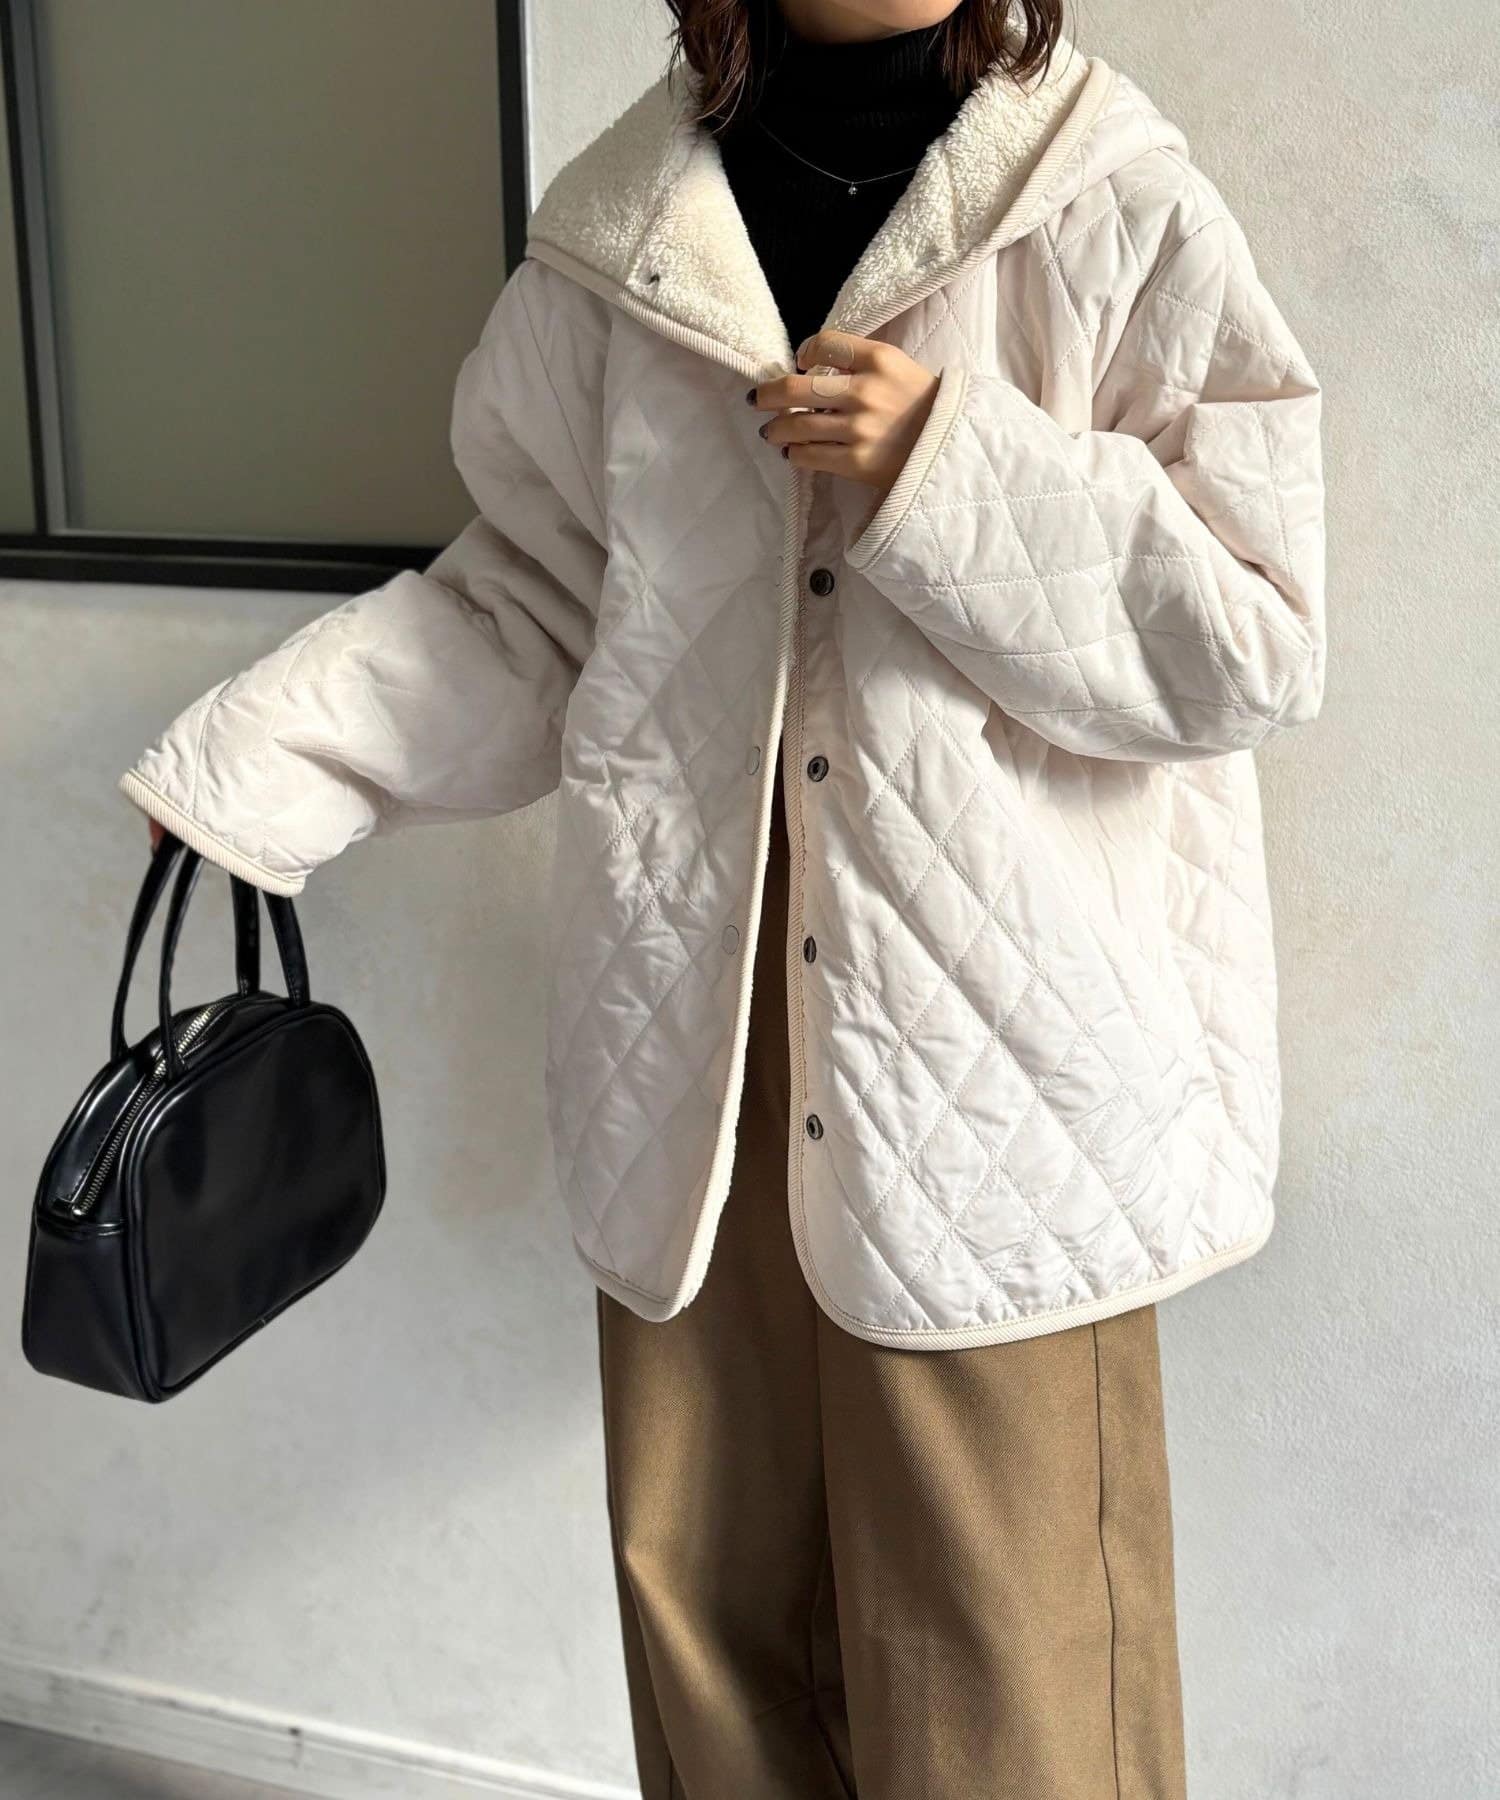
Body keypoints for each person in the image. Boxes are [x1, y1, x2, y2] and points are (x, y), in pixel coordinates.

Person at [127, 1, 1326, 1792]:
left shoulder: (1112, 202)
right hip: (696, 1043)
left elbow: (1254, 638)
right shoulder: (622, 239)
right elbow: (534, 607)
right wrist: (257, 769)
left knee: (1016, 1683)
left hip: (1001, 1069)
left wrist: (952, 463)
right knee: (711, 1638)